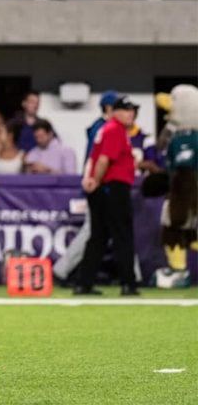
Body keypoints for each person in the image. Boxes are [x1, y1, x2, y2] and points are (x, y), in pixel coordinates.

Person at [75, 97, 139, 296]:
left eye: (133, 110)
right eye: (127, 110)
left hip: (104, 188)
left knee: (99, 237)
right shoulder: (115, 129)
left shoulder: (109, 129)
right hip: (112, 187)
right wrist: (96, 180)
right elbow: (103, 160)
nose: (131, 114)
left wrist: (93, 181)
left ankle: (83, 284)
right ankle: (128, 283)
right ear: (115, 111)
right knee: (122, 235)